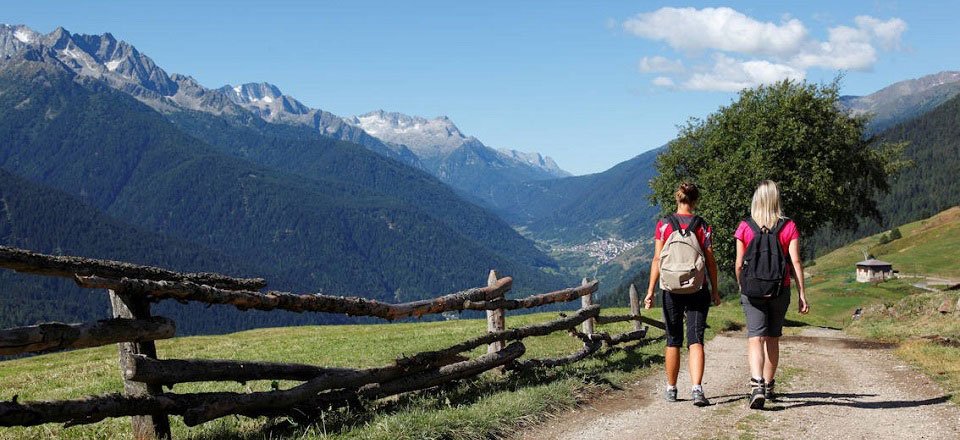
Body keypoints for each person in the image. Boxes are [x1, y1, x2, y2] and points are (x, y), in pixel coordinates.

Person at [644, 182, 721, 407]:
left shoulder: (664, 224)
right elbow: (710, 261)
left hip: (670, 288)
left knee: (673, 339)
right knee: (696, 339)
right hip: (697, 288)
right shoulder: (702, 225)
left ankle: (671, 389)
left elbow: (657, 259)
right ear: (695, 200)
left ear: (677, 199)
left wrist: (650, 291)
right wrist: (715, 290)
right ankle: (697, 389)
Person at [734, 180, 810, 409]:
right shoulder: (788, 226)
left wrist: (742, 285)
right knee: (773, 338)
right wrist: (802, 294)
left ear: (756, 200)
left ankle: (756, 385)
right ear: (777, 200)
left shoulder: (745, 226)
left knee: (755, 337)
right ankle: (768, 385)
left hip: (753, 291)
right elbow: (795, 261)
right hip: (780, 288)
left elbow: (738, 264)